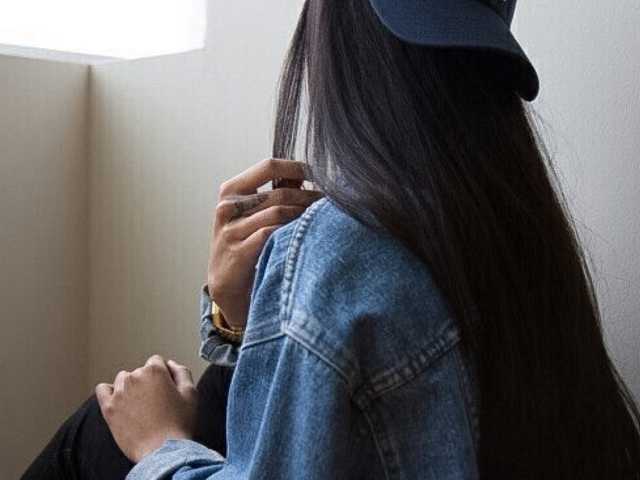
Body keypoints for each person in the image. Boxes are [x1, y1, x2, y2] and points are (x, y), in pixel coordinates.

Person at [21, 0, 640, 479]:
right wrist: (239, 318)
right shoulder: (520, 240)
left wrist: (160, 444)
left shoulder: (340, 248)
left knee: (98, 431)